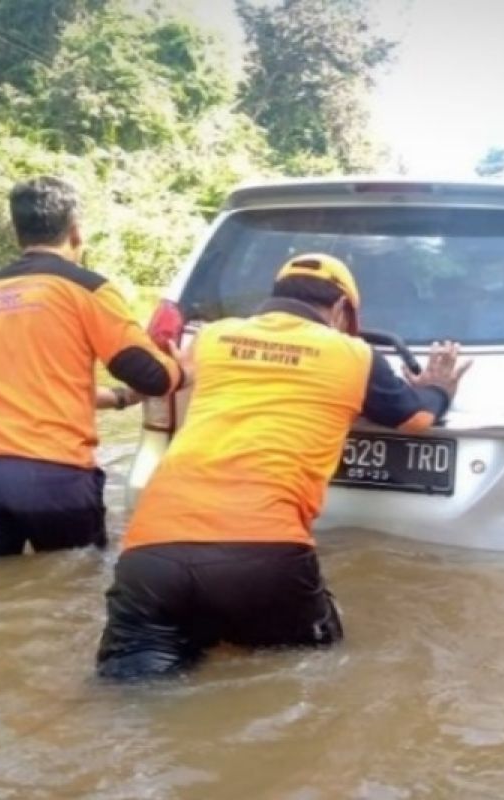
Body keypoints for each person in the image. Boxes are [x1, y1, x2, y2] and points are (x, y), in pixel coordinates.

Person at [95, 253, 472, 680]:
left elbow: (169, 379)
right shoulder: (354, 355)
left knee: (132, 694)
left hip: (150, 554)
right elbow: (417, 419)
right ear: (341, 310)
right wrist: (438, 388)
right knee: (309, 676)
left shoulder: (214, 337)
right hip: (262, 552)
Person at [0, 176, 184, 560]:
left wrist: (123, 399)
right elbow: (152, 376)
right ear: (75, 232)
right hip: (51, 472)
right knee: (77, 592)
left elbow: (34, 385)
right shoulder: (85, 288)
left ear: (17, 233)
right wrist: (183, 368)